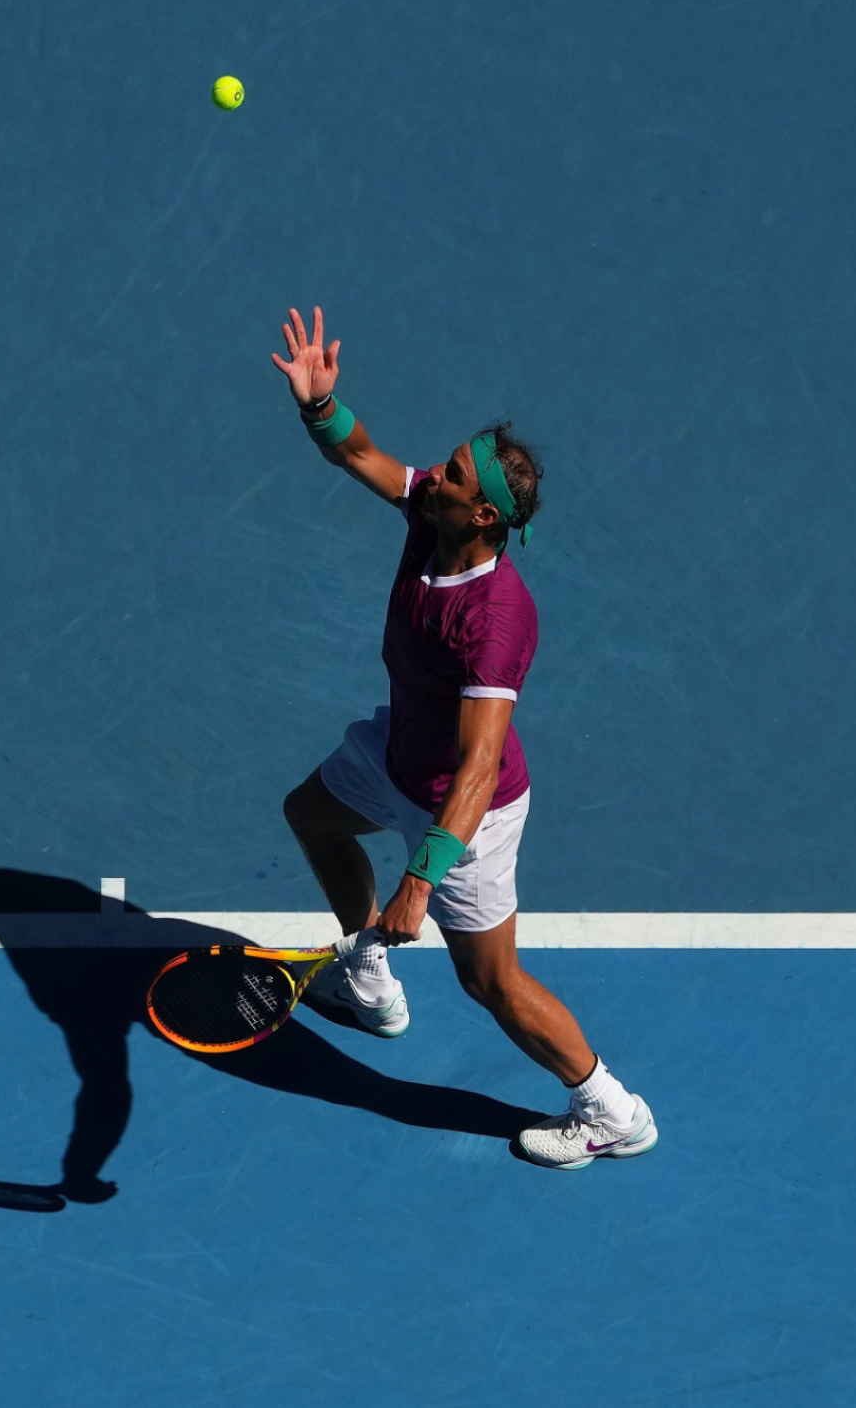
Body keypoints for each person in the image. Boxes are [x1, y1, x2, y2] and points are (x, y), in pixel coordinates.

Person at [267, 307, 657, 1169]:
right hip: (398, 755)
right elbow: (360, 453)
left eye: (448, 475)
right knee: (313, 815)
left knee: (491, 983)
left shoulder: (496, 618)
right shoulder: (431, 517)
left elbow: (479, 765)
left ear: (482, 514)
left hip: (465, 816)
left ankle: (611, 1109)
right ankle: (367, 981)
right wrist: (319, 404)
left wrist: (420, 880)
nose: (429, 476)